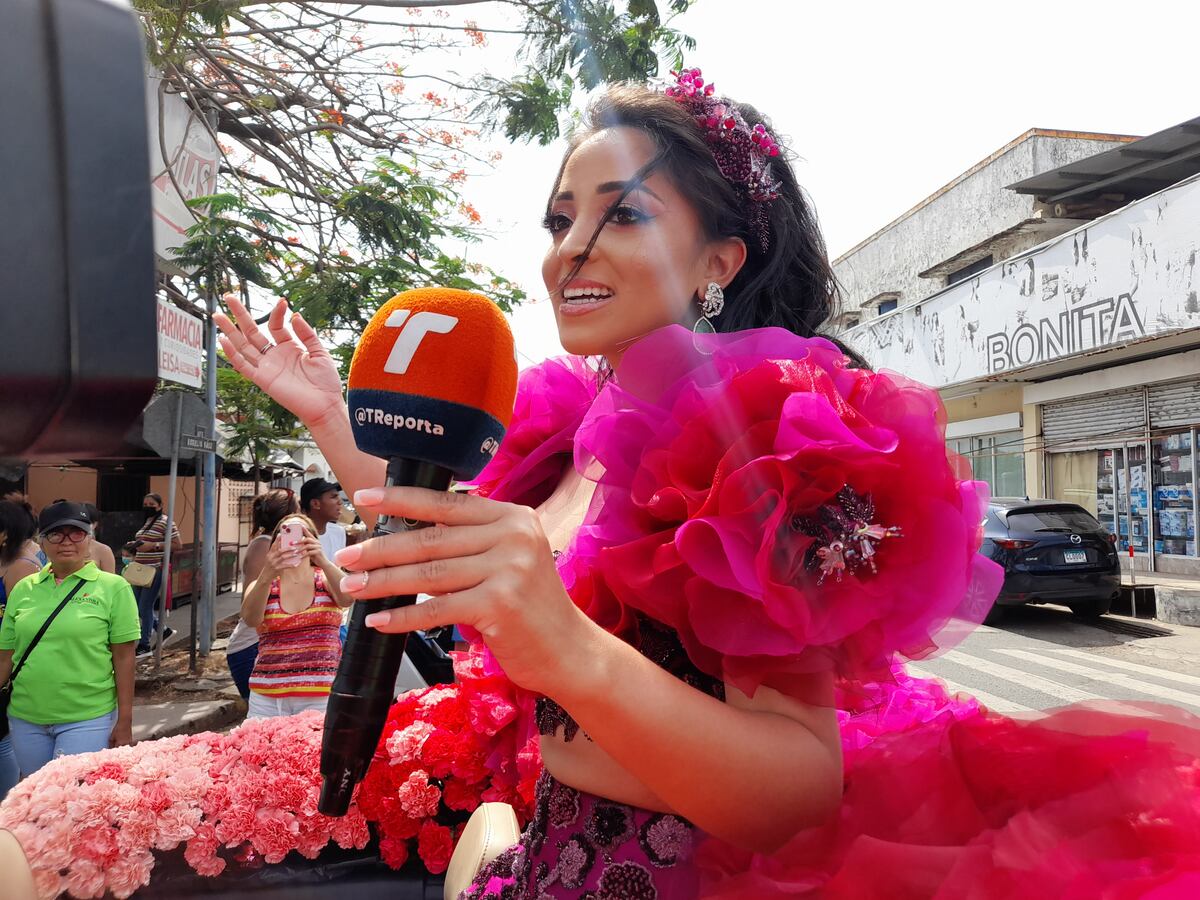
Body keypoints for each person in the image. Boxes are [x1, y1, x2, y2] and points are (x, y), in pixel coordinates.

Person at [196, 70, 1193, 896]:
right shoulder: (577, 428)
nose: (568, 252)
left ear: (720, 258)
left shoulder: (758, 440)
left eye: (621, 214)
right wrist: (330, 415)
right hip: (544, 850)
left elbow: (799, 785)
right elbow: (457, 544)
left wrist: (570, 650)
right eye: (557, 221)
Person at [0, 502, 138, 779]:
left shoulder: (113, 588)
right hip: (26, 716)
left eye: (76, 533)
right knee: (38, 803)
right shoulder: (24, 588)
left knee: (70, 799)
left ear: (89, 538)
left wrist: (125, 721)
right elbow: (6, 655)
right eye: (56, 534)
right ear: (42, 541)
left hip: (87, 717)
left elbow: (124, 658)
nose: (66, 542)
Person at [240, 513, 351, 718]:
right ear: (275, 545)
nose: (295, 541)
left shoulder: (326, 579)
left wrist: (323, 560)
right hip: (267, 698)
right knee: (262, 749)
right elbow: (250, 619)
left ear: (313, 540)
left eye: (302, 534)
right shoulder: (264, 585)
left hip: (320, 695)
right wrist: (267, 573)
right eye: (286, 535)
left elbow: (348, 598)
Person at [225, 488, 300, 699]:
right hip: (252, 647)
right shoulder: (263, 545)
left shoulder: (279, 545)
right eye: (299, 511)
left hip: (268, 643)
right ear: (289, 516)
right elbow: (251, 603)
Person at [0, 501, 41, 803]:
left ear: (4, 534)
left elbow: (26, 627)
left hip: (6, 664)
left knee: (2, 738)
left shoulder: (22, 569)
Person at [130, 492, 181, 658]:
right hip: (139, 569)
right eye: (145, 504)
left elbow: (176, 544)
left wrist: (154, 545)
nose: (147, 507)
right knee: (136, 607)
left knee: (145, 606)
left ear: (159, 506)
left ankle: (144, 645)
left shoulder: (166, 522)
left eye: (151, 504)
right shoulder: (147, 522)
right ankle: (163, 629)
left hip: (154, 569)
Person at [300, 477, 347, 561]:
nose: (340, 502)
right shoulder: (297, 536)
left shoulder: (338, 532)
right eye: (333, 497)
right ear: (315, 503)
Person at [81, 503, 115, 574]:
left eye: (86, 522)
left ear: (94, 524)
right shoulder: (64, 547)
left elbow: (110, 581)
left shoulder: (104, 550)